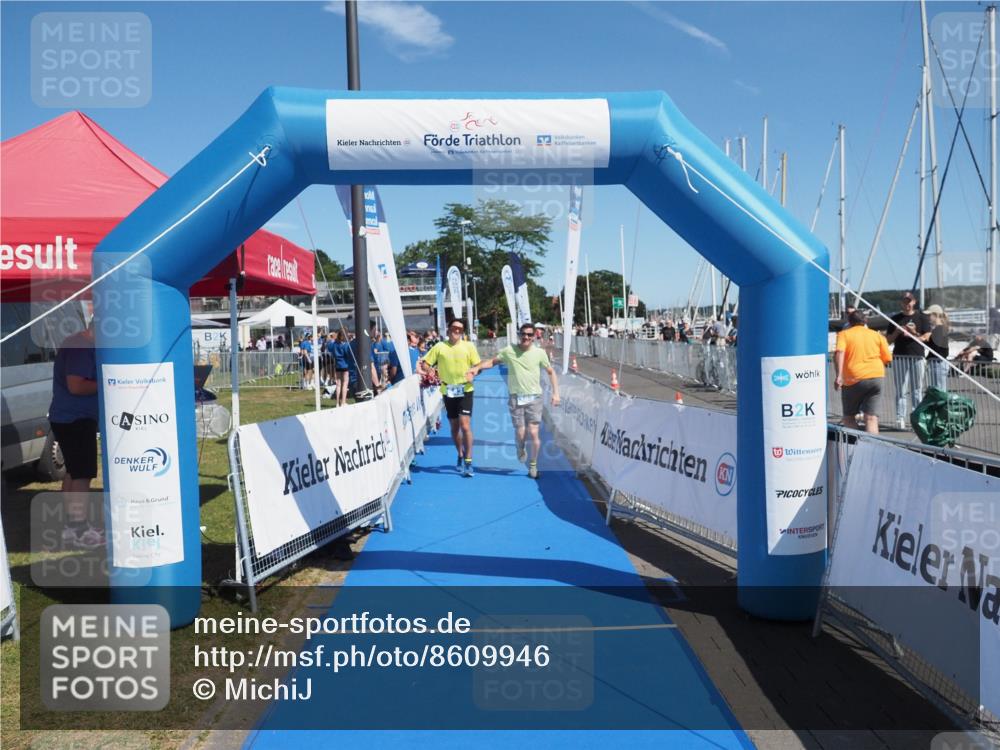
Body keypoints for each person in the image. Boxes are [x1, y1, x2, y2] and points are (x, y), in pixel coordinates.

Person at [474, 323, 560, 478]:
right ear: (519, 335)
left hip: (535, 398)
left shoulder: (539, 353)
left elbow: (551, 372)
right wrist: (477, 368)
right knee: (521, 433)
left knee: (533, 433)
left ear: (534, 337)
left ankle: (533, 466)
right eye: (523, 334)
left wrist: (556, 394)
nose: (526, 337)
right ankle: (520, 447)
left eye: (529, 334)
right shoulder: (509, 351)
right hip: (516, 398)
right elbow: (493, 362)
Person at [49, 323, 104, 548]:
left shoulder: (78, 343)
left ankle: (71, 527)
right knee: (82, 474)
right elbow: (77, 386)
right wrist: (108, 381)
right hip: (75, 419)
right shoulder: (81, 346)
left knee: (73, 471)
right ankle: (80, 529)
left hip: (69, 417)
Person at [418, 320, 481, 477]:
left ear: (463, 332)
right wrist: (430, 369)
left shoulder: (469, 346)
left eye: (460, 329)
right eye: (454, 328)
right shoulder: (440, 346)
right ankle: (460, 453)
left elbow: (478, 366)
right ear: (449, 330)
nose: (456, 331)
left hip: (465, 389)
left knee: (465, 426)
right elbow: (425, 363)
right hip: (448, 390)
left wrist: (474, 372)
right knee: (454, 427)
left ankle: (468, 461)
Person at [834, 309, 892, 434]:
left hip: (853, 378)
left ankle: (856, 446)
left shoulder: (844, 334)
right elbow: (887, 358)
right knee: (871, 417)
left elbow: (840, 353)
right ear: (865, 321)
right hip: (876, 376)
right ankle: (874, 448)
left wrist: (839, 376)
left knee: (849, 418)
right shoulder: (877, 335)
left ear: (849, 322)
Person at [886, 292, 930, 428]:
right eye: (905, 301)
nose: (907, 304)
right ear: (901, 303)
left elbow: (927, 337)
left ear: (914, 302)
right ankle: (900, 418)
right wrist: (897, 332)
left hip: (917, 356)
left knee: (917, 389)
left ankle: (917, 417)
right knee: (901, 389)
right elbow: (887, 341)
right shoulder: (895, 318)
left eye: (909, 301)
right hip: (899, 357)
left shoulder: (922, 317)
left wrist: (914, 333)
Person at [920, 304, 950, 392]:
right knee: (939, 390)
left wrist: (927, 339)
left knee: (939, 391)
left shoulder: (939, 329)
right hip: (938, 363)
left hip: (938, 363)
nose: (928, 318)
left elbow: (936, 348)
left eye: (929, 315)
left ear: (936, 315)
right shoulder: (940, 328)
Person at [331, 330, 351, 407]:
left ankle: (337, 403)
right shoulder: (345, 345)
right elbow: (347, 354)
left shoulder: (335, 344)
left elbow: (331, 349)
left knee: (338, 384)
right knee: (345, 384)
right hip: (345, 365)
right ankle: (343, 402)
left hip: (338, 365)